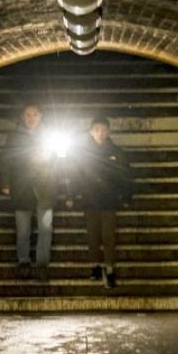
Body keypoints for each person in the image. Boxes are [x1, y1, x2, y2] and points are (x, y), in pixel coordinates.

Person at [0, 103, 56, 282]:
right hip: (22, 187)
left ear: (41, 116)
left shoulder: (49, 137)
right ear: (23, 117)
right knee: (23, 230)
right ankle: (23, 261)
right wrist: (5, 182)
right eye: (28, 115)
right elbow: (6, 160)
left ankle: (42, 264)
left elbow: (58, 162)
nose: (31, 118)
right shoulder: (15, 137)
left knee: (45, 229)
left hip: (45, 188)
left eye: (34, 115)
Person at [72, 116, 131, 289]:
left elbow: (124, 176)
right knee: (92, 235)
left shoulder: (117, 152)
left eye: (104, 130)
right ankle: (95, 266)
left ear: (108, 131)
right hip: (90, 199)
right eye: (97, 130)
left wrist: (126, 196)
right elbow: (76, 175)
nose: (100, 133)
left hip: (109, 199)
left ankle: (110, 269)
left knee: (108, 235)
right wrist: (72, 194)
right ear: (91, 132)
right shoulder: (83, 153)